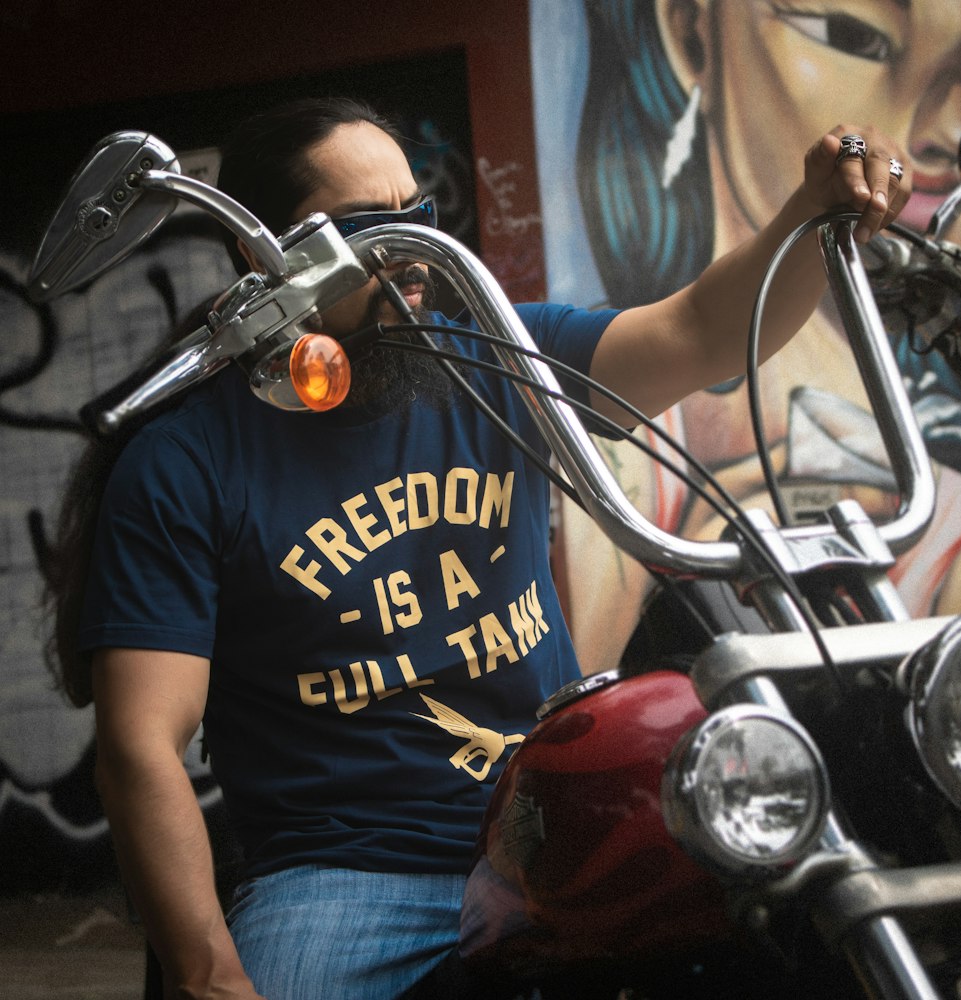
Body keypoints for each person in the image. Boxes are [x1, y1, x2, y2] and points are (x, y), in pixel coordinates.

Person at [46, 95, 907, 998]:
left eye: (416, 217)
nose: (410, 254)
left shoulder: (494, 358)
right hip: (350, 873)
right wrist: (210, 976)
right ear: (260, 256)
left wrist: (811, 213)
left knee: (794, 937)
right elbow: (141, 746)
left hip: (551, 825)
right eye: (365, 228)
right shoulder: (185, 460)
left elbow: (697, 332)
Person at [558, 0, 961, 674]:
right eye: (856, 37)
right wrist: (844, 160)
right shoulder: (619, 456)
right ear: (688, 35)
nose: (943, 128)